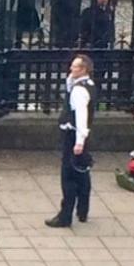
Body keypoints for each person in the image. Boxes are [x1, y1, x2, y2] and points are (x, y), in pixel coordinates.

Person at [46, 55, 96, 228]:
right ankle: (83, 210)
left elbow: (81, 116)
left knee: (68, 177)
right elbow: (69, 85)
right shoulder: (87, 85)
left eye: (74, 67)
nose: (71, 69)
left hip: (73, 136)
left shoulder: (79, 91)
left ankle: (65, 215)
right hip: (82, 136)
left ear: (83, 70)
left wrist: (79, 141)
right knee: (82, 173)